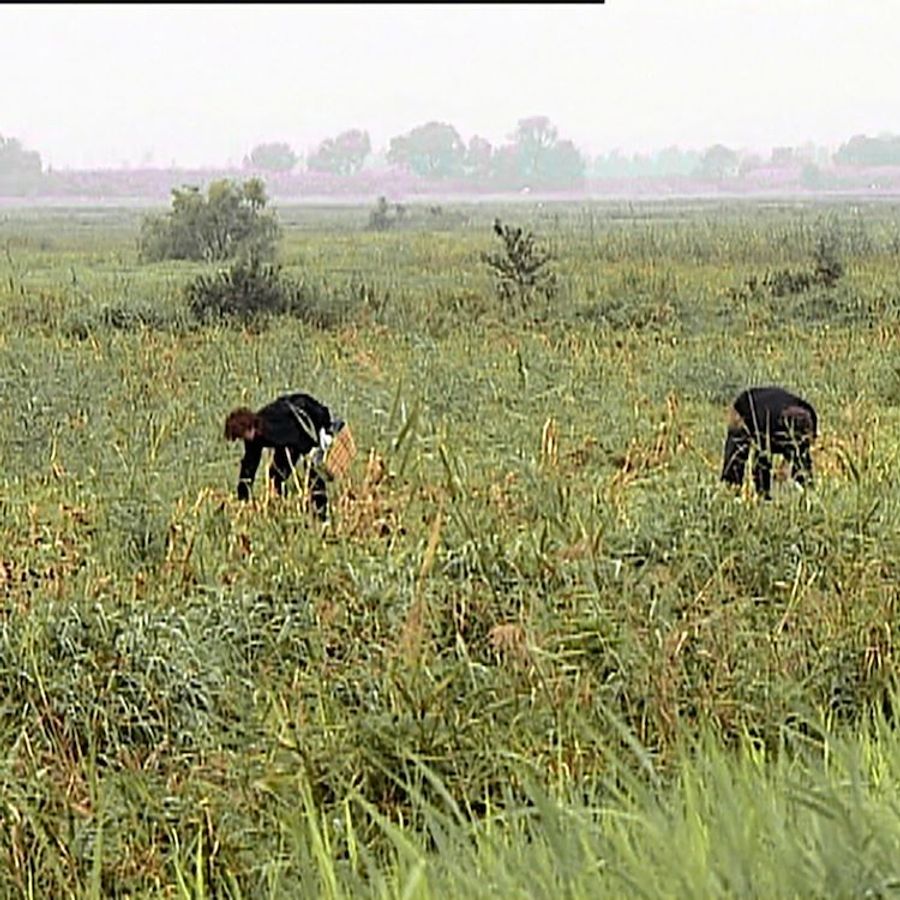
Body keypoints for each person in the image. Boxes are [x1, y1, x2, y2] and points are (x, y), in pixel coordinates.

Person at [224, 392, 345, 519]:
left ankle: (321, 514)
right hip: (293, 435)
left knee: (312, 470)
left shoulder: (272, 427)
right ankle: (282, 509)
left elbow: (300, 438)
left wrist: (318, 446)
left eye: (241, 436)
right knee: (276, 477)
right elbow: (249, 464)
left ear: (248, 427)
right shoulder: (253, 437)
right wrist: (243, 496)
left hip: (309, 419)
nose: (242, 439)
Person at [721, 385, 817, 498]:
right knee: (800, 460)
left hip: (787, 416)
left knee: (740, 448)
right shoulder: (753, 406)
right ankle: (806, 492)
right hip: (804, 413)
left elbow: (737, 456)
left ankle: (749, 491)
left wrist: (731, 482)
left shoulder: (744, 406)